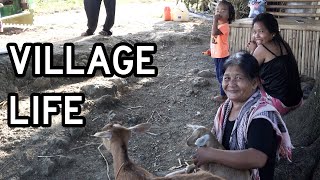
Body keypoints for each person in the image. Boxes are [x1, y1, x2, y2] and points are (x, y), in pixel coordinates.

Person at [192, 52, 293, 180]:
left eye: (239, 78)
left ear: (254, 82)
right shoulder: (225, 108)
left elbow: (258, 158)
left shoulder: (261, 116)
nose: (231, 84)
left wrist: (212, 154)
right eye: (227, 78)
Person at [247, 13, 303, 115]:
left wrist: (252, 51)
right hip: (297, 100)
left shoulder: (262, 49)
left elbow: (247, 70)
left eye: (261, 31)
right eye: (254, 32)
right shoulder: (284, 44)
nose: (256, 36)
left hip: (280, 104)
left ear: (273, 32)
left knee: (249, 79)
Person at [202, 0, 235, 102]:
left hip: (222, 56)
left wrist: (214, 20)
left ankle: (224, 95)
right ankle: (227, 92)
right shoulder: (218, 26)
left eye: (223, 10)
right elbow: (215, 41)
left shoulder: (225, 26)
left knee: (222, 76)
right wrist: (211, 50)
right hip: (217, 55)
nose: (219, 13)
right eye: (217, 10)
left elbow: (214, 33)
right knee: (219, 75)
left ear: (229, 15)